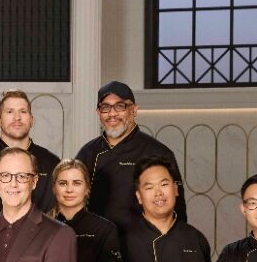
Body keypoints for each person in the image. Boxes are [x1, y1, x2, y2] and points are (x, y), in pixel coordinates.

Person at [75, 81, 187, 232]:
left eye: (120, 106)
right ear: (98, 112)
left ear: (134, 110)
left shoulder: (158, 153)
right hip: (98, 242)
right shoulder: (88, 153)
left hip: (144, 243)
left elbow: (177, 212)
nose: (112, 114)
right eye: (105, 107)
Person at [0, 89, 60, 213]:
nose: (17, 118)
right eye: (10, 112)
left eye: (23, 112)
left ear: (31, 120)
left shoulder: (52, 163)